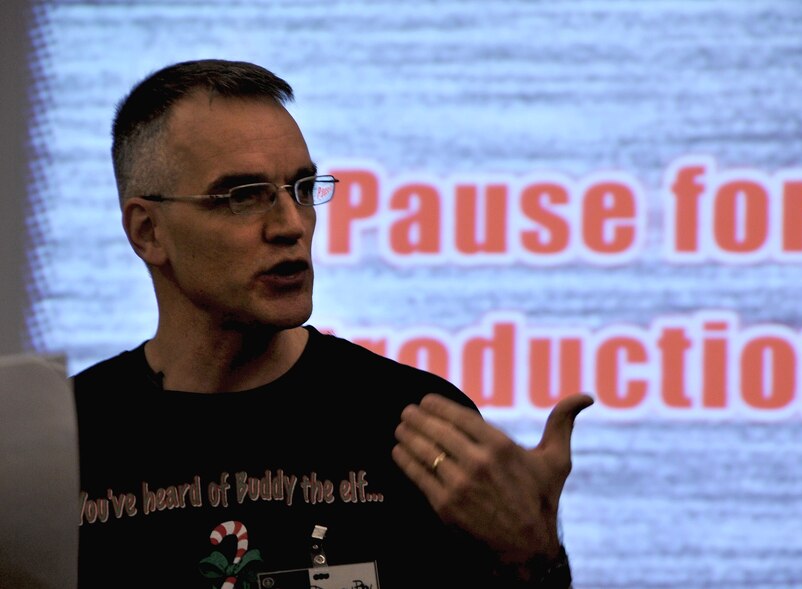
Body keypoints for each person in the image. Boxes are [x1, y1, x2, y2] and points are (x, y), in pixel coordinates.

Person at [72, 58, 594, 589]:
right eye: (243, 196)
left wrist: (533, 558)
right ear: (148, 232)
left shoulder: (414, 427)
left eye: (302, 188)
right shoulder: (65, 438)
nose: (291, 225)